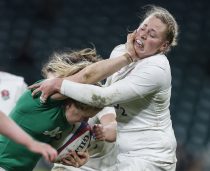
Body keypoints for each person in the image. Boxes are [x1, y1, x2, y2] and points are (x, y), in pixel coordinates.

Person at [30, 5, 179, 171]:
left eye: (152, 35)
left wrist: (60, 84)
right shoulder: (121, 52)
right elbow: (104, 100)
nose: (143, 35)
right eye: (143, 28)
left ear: (163, 46)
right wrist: (92, 144)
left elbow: (105, 97)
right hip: (123, 155)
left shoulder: (157, 68)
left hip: (151, 157)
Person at [0, 48, 119, 171]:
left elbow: (50, 151)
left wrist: (74, 155)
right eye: (84, 117)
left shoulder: (73, 119)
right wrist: (128, 56)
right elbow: (85, 76)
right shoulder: (42, 96)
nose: (85, 121)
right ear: (70, 102)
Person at [52, 106, 117, 171]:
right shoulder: (56, 111)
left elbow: (112, 130)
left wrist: (104, 131)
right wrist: (60, 160)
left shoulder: (97, 104)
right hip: (71, 166)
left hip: (110, 164)